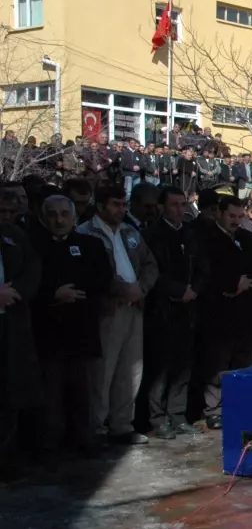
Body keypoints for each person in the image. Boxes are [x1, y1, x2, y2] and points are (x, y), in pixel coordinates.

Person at [29, 195, 111, 458]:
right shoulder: (33, 245)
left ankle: (82, 439)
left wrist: (76, 292)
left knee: (82, 388)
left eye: (64, 213)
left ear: (75, 217)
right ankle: (49, 442)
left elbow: (102, 279)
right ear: (43, 218)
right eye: (52, 214)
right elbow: (28, 284)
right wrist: (53, 294)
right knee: (50, 391)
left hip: (81, 328)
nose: (59, 219)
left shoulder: (91, 244)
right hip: (47, 330)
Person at [77, 184, 160, 445]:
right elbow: (91, 273)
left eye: (123, 205)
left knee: (131, 369)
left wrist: (141, 288)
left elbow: (150, 263)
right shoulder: (85, 233)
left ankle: (122, 425)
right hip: (107, 309)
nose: (121, 209)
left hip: (134, 307)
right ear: (100, 205)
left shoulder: (129, 232)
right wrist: (119, 288)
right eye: (115, 204)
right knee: (102, 373)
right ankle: (96, 428)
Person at [143, 186, 208, 439]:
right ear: (162, 207)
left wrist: (195, 290)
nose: (180, 210)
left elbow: (204, 267)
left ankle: (177, 414)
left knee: (183, 365)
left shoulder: (191, 234)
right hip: (162, 309)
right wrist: (178, 290)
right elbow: (151, 270)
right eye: (174, 205)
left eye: (183, 204)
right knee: (161, 366)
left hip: (189, 309)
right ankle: (157, 419)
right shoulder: (151, 235)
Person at [197, 196, 252, 430]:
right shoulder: (207, 239)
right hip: (219, 311)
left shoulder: (248, 239)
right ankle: (215, 409)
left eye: (239, 217)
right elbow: (207, 272)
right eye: (231, 216)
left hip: (247, 312)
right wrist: (233, 284)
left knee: (243, 363)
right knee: (218, 364)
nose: (236, 221)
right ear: (220, 214)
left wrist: (246, 283)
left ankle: (241, 405)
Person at [0, 213, 40, 466]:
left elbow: (33, 268)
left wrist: (16, 292)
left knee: (10, 389)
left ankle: (6, 456)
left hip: (11, 322)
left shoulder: (11, 233)